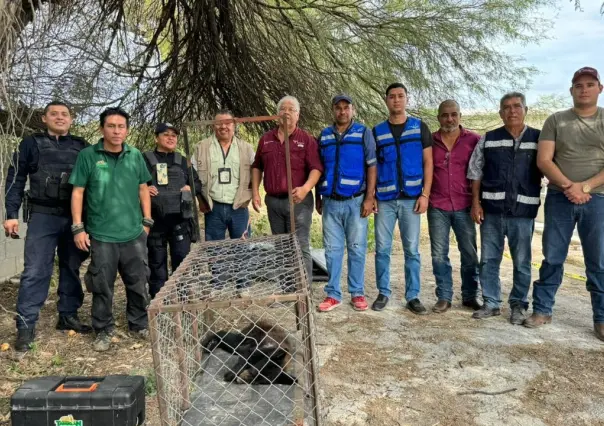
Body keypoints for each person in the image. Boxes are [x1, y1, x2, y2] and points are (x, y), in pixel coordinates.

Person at [3, 101, 91, 352]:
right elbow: (16, 178)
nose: (60, 118)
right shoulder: (31, 143)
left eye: (65, 114)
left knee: (71, 266)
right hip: (43, 215)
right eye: (54, 114)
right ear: (44, 118)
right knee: (36, 270)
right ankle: (26, 325)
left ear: (71, 119)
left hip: (74, 217)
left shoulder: (81, 146)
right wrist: (11, 214)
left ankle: (68, 314)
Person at [526, 67, 604, 341]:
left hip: (599, 199)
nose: (584, 89)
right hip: (560, 197)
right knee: (553, 256)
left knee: (599, 260)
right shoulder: (556, 120)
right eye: (578, 85)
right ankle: (543, 309)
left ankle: (601, 319)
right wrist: (570, 187)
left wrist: (586, 187)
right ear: (571, 90)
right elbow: (544, 160)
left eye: (589, 84)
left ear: (599, 88)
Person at [69, 107, 152, 352]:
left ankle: (138, 324)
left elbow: (143, 188)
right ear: (102, 128)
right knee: (102, 284)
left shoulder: (135, 155)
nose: (117, 131)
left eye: (121, 126)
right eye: (111, 126)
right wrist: (78, 228)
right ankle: (103, 329)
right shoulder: (88, 155)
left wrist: (146, 221)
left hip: (133, 233)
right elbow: (78, 192)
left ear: (127, 130)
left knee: (138, 281)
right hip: (102, 235)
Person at [467, 92, 542, 324]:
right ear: (500, 113)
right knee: (489, 259)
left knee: (522, 261)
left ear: (525, 110)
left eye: (517, 106)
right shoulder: (489, 139)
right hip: (492, 211)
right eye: (507, 107)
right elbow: (475, 172)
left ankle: (518, 305)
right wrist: (475, 202)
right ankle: (491, 302)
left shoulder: (539, 139)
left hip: (523, 213)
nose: (512, 111)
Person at [372, 83, 433, 313]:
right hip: (385, 199)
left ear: (407, 99)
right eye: (392, 97)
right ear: (386, 101)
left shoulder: (419, 128)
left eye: (400, 96)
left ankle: (413, 296)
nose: (396, 100)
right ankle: (383, 292)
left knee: (412, 250)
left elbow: (429, 163)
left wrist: (425, 194)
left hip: (411, 198)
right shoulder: (377, 132)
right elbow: (373, 166)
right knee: (382, 249)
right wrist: (372, 196)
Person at [251, 96, 323, 284]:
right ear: (277, 114)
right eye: (283, 109)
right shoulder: (266, 139)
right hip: (273, 202)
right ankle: (287, 288)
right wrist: (255, 192)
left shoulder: (306, 139)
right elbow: (257, 166)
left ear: (298, 115)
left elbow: (316, 168)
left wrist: (306, 189)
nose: (286, 112)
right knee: (280, 246)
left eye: (291, 109)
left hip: (298, 202)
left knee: (300, 246)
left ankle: (303, 290)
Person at [316, 94, 377, 312]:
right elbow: (318, 168)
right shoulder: (324, 135)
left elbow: (372, 166)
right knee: (332, 250)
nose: (342, 112)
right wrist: (318, 197)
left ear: (353, 110)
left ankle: (357, 292)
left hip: (356, 201)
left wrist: (369, 197)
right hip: (330, 202)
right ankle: (333, 294)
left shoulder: (363, 133)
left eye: (346, 108)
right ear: (333, 110)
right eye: (338, 108)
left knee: (357, 248)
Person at [428, 100, 482, 313]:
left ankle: (470, 295)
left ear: (460, 115)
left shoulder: (474, 140)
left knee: (469, 253)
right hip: (437, 205)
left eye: (453, 114)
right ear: (438, 117)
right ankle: (444, 296)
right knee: (439, 254)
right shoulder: (430, 141)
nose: (449, 119)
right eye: (444, 115)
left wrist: (478, 203)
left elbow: (479, 173)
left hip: (464, 204)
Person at [143, 122, 202, 299]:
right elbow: (134, 184)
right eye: (165, 134)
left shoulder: (182, 161)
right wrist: (144, 189)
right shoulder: (144, 160)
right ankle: (159, 303)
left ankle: (182, 301)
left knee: (182, 264)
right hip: (155, 224)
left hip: (180, 222)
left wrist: (190, 189)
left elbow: (197, 184)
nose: (170, 138)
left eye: (173, 135)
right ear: (156, 138)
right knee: (156, 266)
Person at [194, 110, 255, 241]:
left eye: (227, 123)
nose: (223, 127)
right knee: (215, 251)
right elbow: (193, 175)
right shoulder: (202, 147)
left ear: (234, 125)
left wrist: (251, 196)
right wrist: (200, 199)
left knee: (242, 250)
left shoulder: (246, 148)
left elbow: (256, 172)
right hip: (213, 208)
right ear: (212, 126)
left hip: (239, 207)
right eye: (218, 123)